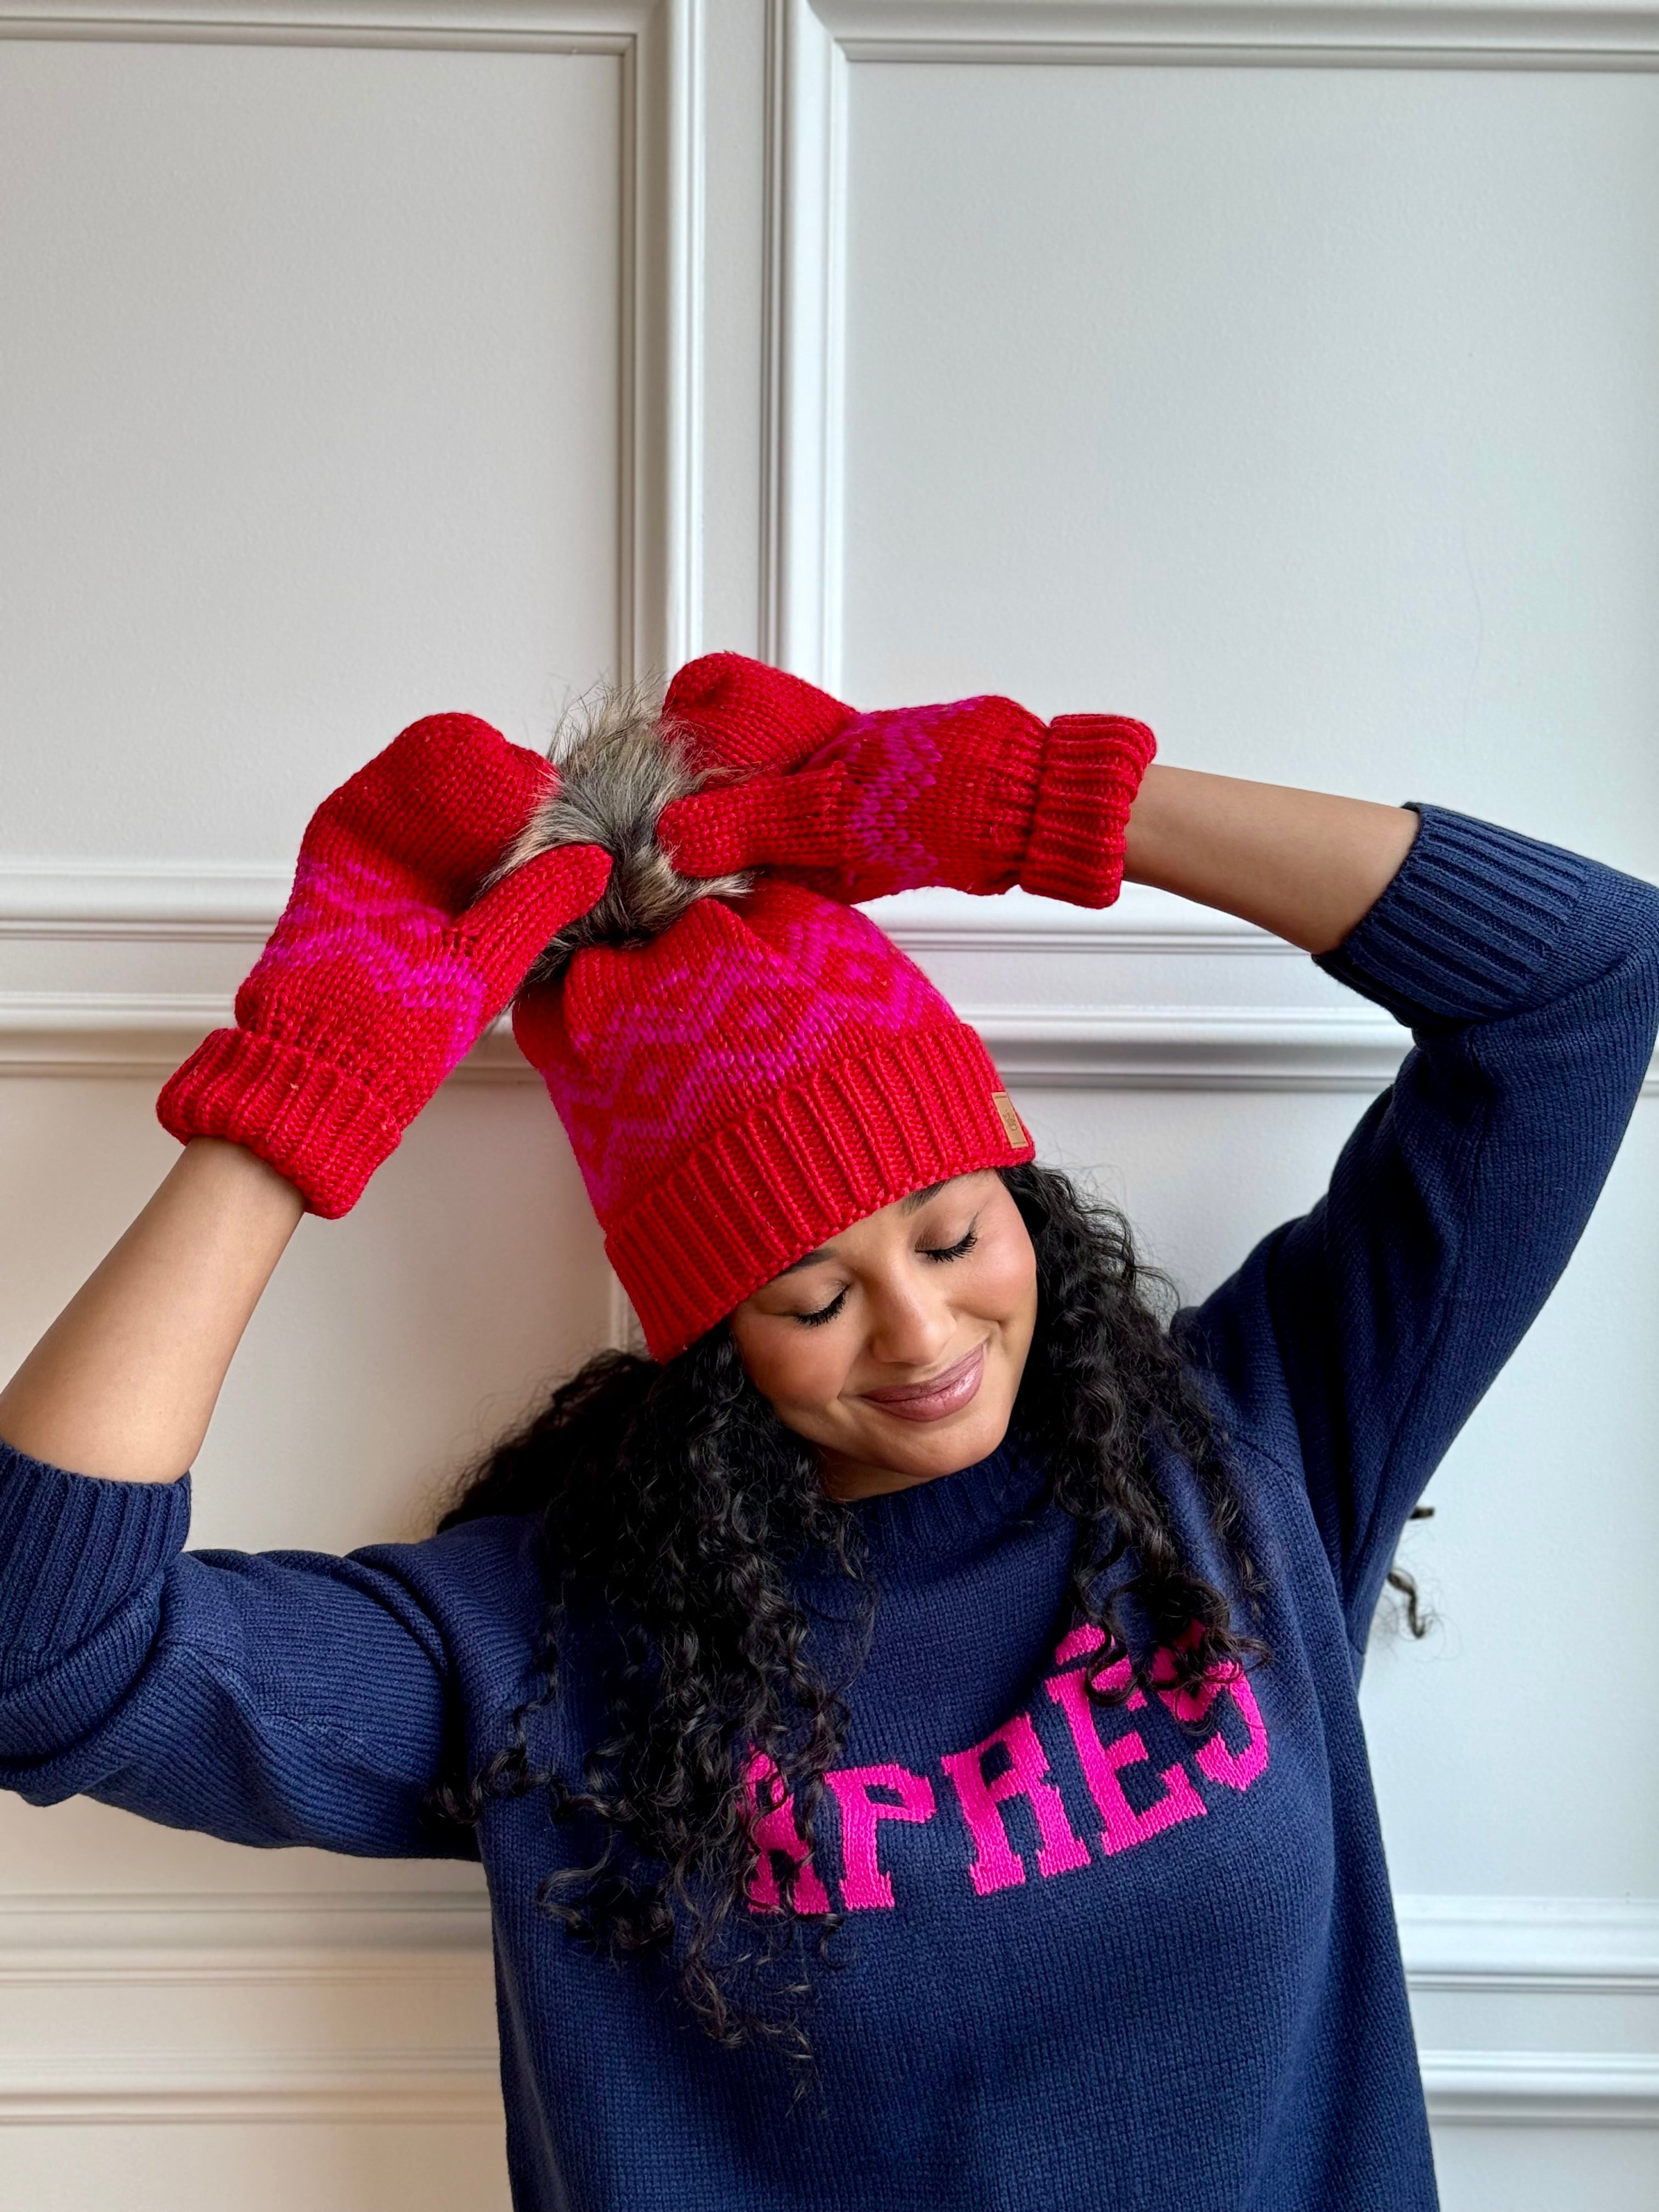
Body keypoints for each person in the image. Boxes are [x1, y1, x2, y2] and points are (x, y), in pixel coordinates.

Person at [1, 652, 1654, 2212]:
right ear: (711, 1340)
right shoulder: (543, 1650)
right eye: (811, 1296)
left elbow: (1584, 980)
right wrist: (298, 1104)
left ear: (1026, 1204)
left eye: (953, 1236)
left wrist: (1042, 804)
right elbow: (45, 1654)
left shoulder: (1250, 1457)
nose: (925, 1334)